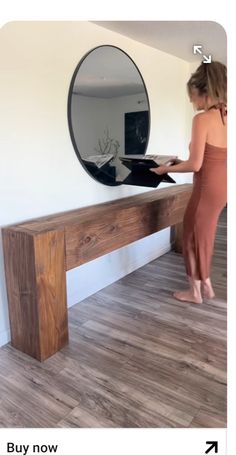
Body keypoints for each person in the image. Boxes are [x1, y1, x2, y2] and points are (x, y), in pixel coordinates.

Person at [150, 61, 227, 304]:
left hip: (205, 188)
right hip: (222, 187)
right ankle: (206, 285)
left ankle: (196, 292)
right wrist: (181, 162)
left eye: (193, 97)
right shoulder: (226, 116)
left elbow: (195, 166)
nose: (192, 103)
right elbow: (206, 159)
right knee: (205, 234)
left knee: (191, 236)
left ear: (205, 91)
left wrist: (164, 168)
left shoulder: (202, 119)